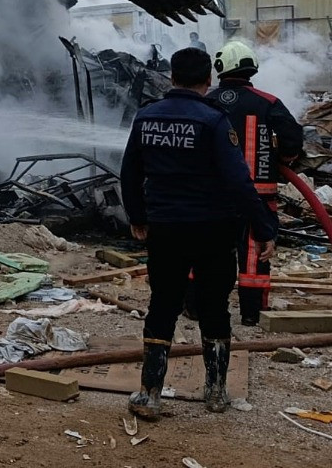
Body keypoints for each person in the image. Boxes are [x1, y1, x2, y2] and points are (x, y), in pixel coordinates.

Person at [120, 47, 280, 419]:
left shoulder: (146, 118)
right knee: (214, 308)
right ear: (208, 80)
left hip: (165, 230)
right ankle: (216, 393)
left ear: (171, 77)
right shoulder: (213, 121)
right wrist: (263, 227)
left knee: (162, 305)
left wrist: (138, 216)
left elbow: (130, 173)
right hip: (213, 230)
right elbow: (239, 182)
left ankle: (149, 393)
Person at [203, 41, 304, 324]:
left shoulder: (205, 101)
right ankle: (251, 314)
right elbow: (292, 138)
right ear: (251, 68)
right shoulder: (268, 102)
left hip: (210, 195)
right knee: (255, 253)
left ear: (220, 68)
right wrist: (285, 157)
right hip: (258, 195)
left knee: (205, 249)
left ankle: (196, 306)